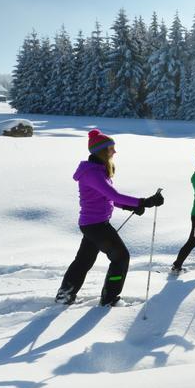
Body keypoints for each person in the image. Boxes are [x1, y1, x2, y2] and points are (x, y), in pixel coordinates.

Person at [56, 129, 164, 306]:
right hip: (97, 226)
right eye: (111, 148)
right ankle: (109, 298)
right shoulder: (92, 173)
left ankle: (64, 295)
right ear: (102, 150)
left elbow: (107, 198)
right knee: (121, 257)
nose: (114, 151)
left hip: (92, 224)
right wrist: (144, 202)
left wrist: (130, 205)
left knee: (84, 261)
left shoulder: (97, 170)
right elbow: (114, 195)